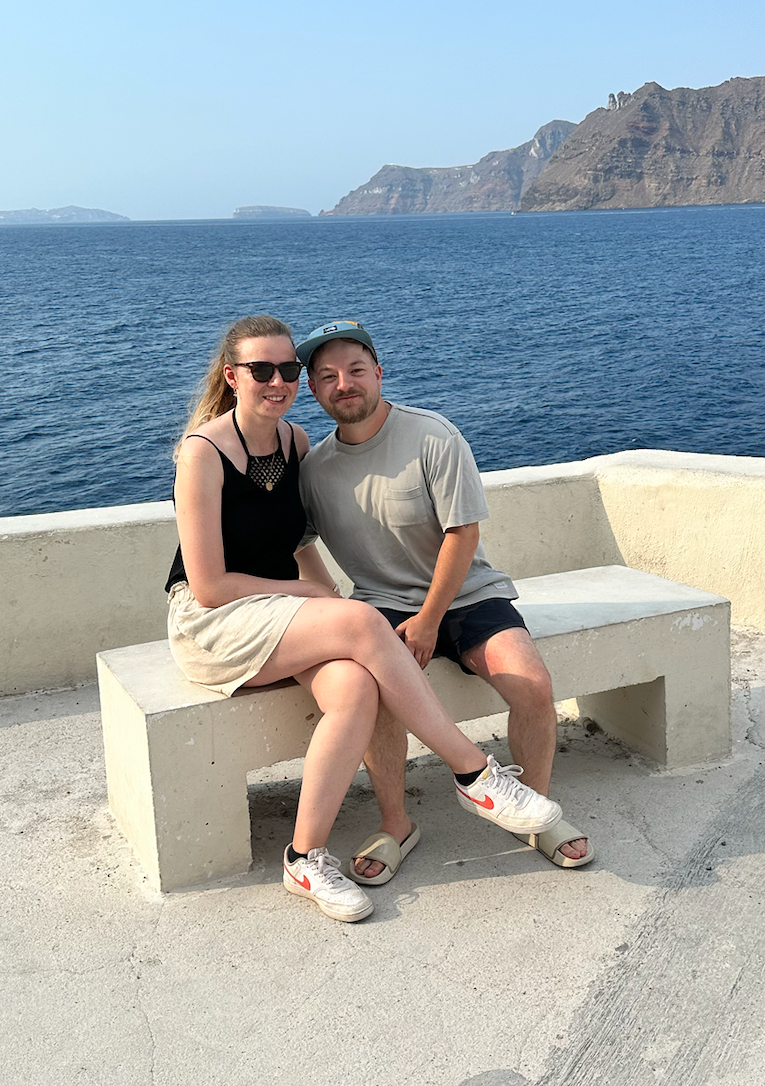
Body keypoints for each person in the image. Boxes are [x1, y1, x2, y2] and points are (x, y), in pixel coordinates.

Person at [163, 314, 563, 924]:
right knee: (360, 621)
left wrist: (317, 595)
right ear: (232, 376)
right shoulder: (204, 452)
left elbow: (299, 540)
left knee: (355, 690)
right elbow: (210, 586)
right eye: (262, 370)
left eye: (288, 369)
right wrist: (315, 595)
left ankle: (303, 857)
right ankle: (474, 774)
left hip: (281, 612)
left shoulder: (295, 444)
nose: (278, 381)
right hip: (214, 621)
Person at [296, 320, 594, 885]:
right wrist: (328, 599)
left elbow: (463, 533)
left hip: (467, 593)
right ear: (313, 389)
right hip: (380, 605)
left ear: (378, 373)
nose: (344, 384)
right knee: (376, 697)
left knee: (532, 683)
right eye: (328, 376)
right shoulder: (313, 470)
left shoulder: (433, 436)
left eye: (356, 370)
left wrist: (430, 619)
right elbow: (299, 541)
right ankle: (396, 823)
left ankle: (532, 812)